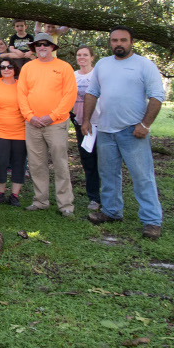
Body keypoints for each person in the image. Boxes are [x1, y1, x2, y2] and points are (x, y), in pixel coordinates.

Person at [83, 26, 165, 240]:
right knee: (108, 174)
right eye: (114, 40)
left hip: (133, 130)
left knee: (142, 176)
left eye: (123, 40)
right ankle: (111, 212)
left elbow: (156, 96)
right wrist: (86, 120)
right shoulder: (103, 64)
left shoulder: (144, 65)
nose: (118, 44)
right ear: (110, 42)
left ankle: (151, 220)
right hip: (106, 130)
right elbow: (92, 93)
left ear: (131, 42)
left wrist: (145, 125)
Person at [17, 32, 77, 216]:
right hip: (32, 123)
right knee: (36, 164)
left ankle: (65, 204)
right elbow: (21, 93)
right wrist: (29, 116)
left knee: (60, 163)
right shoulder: (28, 68)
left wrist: (52, 116)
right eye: (38, 45)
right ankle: (40, 200)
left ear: (52, 47)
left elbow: (70, 95)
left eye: (46, 44)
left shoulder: (64, 67)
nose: (42, 47)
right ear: (34, 48)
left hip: (56, 123)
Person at [0, 58, 26, 207]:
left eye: (9, 67)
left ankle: (14, 195)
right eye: (2, 67)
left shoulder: (22, 86)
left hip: (21, 132)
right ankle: (0, 194)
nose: (6, 69)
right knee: (0, 163)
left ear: (14, 69)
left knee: (18, 163)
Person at [71, 45, 101, 211]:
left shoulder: (98, 75)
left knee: (103, 161)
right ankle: (94, 197)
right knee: (88, 161)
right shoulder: (73, 76)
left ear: (92, 57)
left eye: (85, 55)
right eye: (79, 55)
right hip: (81, 125)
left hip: (100, 123)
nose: (81, 57)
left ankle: (108, 197)